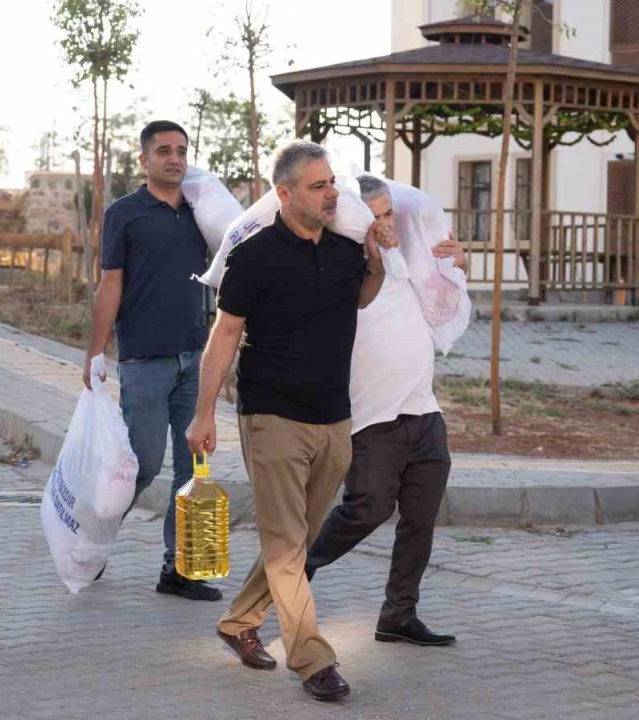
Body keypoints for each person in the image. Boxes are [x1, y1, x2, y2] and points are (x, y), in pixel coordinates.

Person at [186, 141, 390, 702]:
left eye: (332, 184)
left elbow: (362, 299)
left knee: (293, 540)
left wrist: (374, 258)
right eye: (318, 186)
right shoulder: (254, 256)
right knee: (285, 546)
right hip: (272, 413)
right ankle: (312, 659)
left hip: (334, 417)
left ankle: (238, 622)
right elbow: (223, 335)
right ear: (284, 193)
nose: (331, 195)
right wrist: (204, 413)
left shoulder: (345, 249)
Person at [304, 174, 466, 647]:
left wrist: (459, 262)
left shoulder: (409, 257)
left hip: (424, 411)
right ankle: (298, 569)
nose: (385, 225)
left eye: (388, 213)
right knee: (367, 508)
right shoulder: (343, 269)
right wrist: (372, 252)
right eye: (372, 217)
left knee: (420, 517)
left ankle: (399, 613)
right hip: (374, 418)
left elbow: (444, 298)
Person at [82, 120, 219, 601]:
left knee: (192, 469)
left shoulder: (202, 212)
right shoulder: (126, 213)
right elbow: (111, 284)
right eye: (164, 151)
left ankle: (179, 570)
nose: (175, 158)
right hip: (144, 360)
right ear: (144, 160)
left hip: (195, 359)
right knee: (140, 465)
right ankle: (90, 543)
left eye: (182, 150)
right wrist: (95, 353)